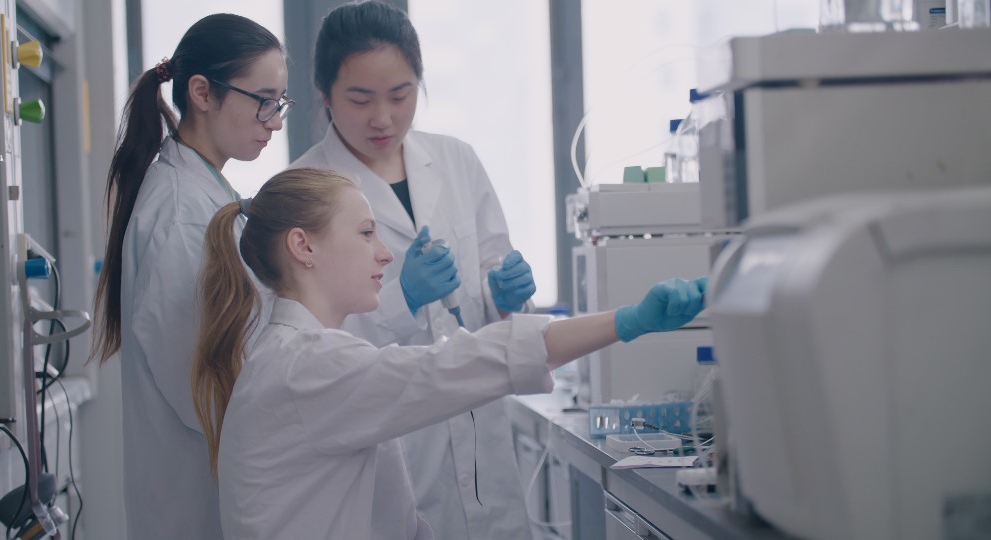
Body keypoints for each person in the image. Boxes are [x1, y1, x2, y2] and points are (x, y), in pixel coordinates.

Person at [191, 167, 708, 539]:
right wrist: (627, 321)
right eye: (366, 234)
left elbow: (394, 520)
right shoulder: (305, 366)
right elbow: (455, 365)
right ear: (303, 247)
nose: (385, 254)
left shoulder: (303, 357)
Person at [289, 2, 542, 536]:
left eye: (400, 95)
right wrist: (400, 298)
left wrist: (505, 295)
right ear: (325, 94)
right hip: (391, 442)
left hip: (481, 437)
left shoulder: (457, 160)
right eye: (361, 99)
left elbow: (493, 268)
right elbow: (303, 347)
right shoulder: (300, 191)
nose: (383, 118)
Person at [90, 13, 291, 539]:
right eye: (263, 101)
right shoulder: (181, 217)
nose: (274, 121)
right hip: (197, 506)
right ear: (202, 93)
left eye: (280, 103)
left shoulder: (206, 194)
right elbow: (201, 390)